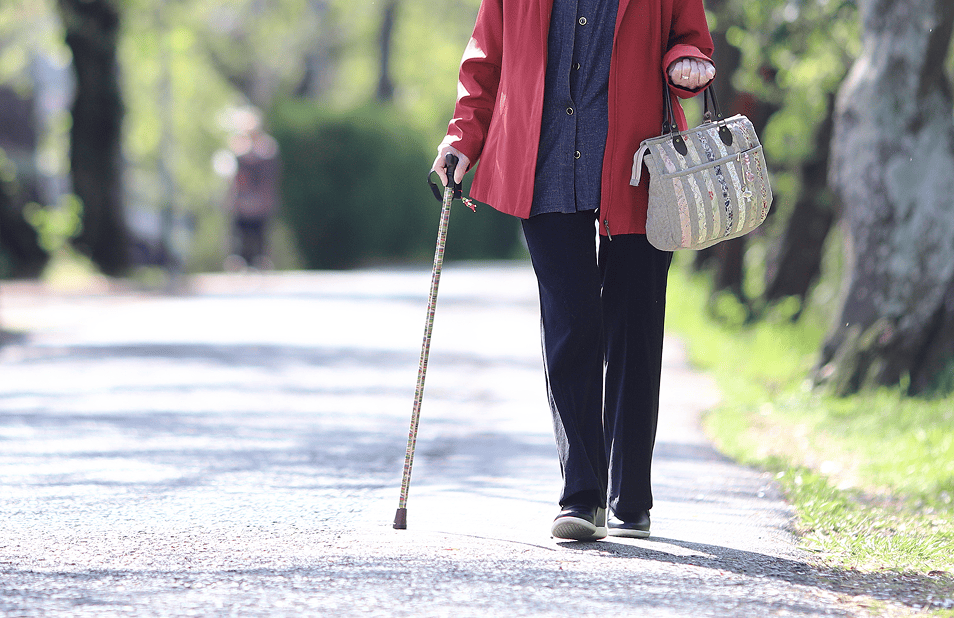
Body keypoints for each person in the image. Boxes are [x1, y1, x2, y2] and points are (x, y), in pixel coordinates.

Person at [431, 0, 715, 541]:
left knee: (634, 326)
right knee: (571, 325)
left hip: (641, 164)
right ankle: (581, 496)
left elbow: (692, 39)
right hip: (541, 164)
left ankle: (630, 494)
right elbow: (484, 63)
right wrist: (461, 139)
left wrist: (686, 63)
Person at [224, 109, 281, 270]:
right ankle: (239, 259)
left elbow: (270, 175)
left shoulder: (267, 147)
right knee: (240, 233)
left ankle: (261, 259)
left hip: (260, 199)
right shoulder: (237, 146)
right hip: (242, 199)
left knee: (260, 232)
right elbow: (231, 175)